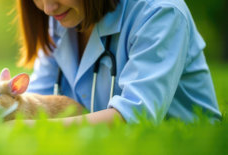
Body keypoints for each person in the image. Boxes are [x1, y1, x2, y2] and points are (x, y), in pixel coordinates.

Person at [15, 0, 222, 125]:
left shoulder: (159, 11)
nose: (48, 8)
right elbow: (33, 104)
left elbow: (135, 118)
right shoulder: (63, 17)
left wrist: (26, 127)